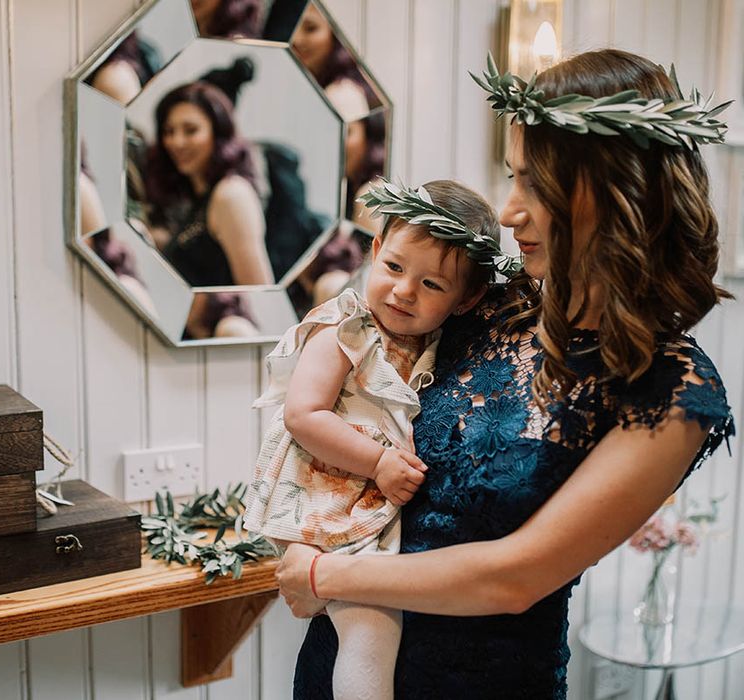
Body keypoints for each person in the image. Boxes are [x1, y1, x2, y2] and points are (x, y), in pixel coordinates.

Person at [276, 49, 735, 698]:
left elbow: (515, 578)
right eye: (511, 177)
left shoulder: (673, 391)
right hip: (339, 665)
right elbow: (349, 355)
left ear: (615, 193)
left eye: (534, 184)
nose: (508, 211)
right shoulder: (484, 305)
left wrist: (323, 578)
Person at [244, 180, 504, 700]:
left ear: (467, 299)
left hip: (362, 501)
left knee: (370, 623)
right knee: (370, 625)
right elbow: (303, 413)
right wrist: (379, 462)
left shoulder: (434, 342)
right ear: (376, 250)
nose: (405, 291)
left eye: (432, 285)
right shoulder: (346, 327)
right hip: (326, 488)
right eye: (394, 268)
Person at [145, 81, 274, 287]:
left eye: (191, 130)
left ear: (218, 133)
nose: (177, 142)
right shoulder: (200, 197)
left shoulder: (231, 194)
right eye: (169, 131)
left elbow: (258, 291)